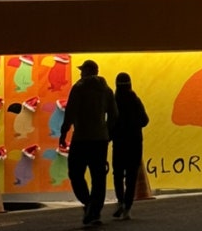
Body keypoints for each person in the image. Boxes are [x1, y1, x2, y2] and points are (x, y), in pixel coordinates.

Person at [60, 60, 118, 226]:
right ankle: (95, 211)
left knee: (75, 173)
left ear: (86, 71)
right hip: (100, 140)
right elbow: (114, 115)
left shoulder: (79, 88)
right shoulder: (106, 90)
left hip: (81, 138)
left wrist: (63, 133)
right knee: (98, 177)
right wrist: (108, 134)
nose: (80, 73)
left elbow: (70, 113)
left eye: (82, 70)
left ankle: (88, 203)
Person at [111, 72, 149, 221]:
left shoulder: (114, 101)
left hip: (119, 144)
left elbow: (110, 123)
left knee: (118, 174)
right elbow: (145, 120)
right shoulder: (135, 100)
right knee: (131, 176)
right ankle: (127, 207)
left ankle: (120, 201)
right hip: (135, 143)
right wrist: (134, 125)